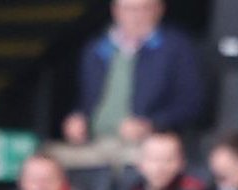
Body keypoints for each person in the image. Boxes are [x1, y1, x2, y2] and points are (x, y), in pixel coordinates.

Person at [61, 0, 207, 163]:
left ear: (159, 10)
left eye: (144, 9)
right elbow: (85, 99)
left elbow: (191, 104)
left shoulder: (177, 47)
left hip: (145, 145)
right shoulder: (96, 48)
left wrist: (151, 125)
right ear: (115, 10)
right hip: (92, 142)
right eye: (129, 9)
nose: (136, 16)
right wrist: (78, 118)